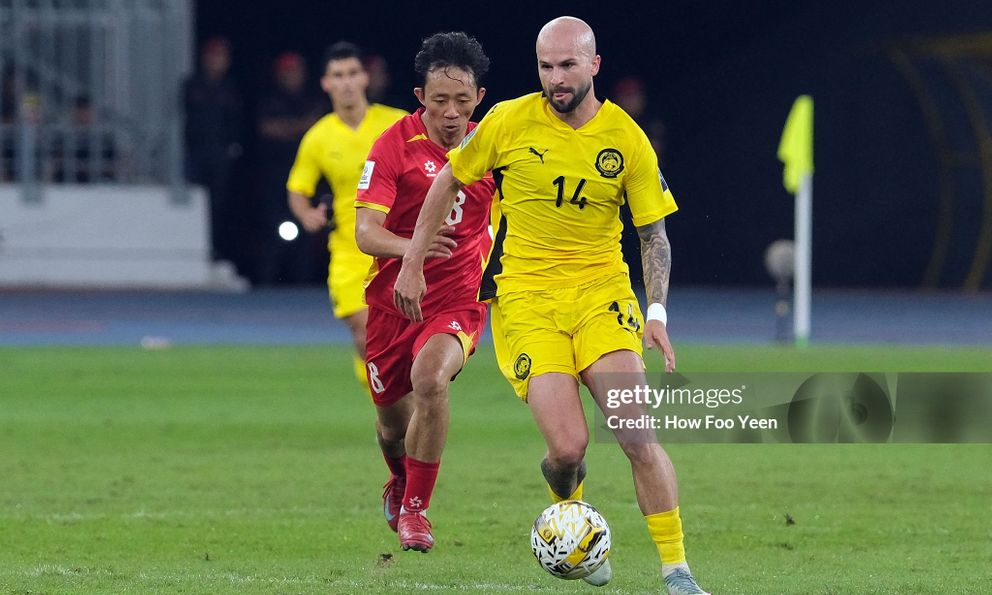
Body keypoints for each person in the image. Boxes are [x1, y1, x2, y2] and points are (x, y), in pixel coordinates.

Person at [393, 16, 709, 594]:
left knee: (636, 434)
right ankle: (575, 523)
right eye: (545, 66)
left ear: (594, 65)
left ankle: (677, 570)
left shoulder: (626, 137)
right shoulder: (509, 120)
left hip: (601, 297)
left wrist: (657, 314)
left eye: (567, 65)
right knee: (567, 450)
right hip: (528, 301)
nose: (555, 78)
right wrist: (412, 261)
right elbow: (448, 182)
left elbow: (653, 235)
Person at [354, 31, 493, 553]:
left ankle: (417, 512)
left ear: (479, 98)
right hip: (391, 305)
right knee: (391, 425)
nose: (451, 113)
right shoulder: (393, 144)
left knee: (431, 380)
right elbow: (366, 231)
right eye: (439, 101)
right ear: (421, 99)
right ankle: (397, 477)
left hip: (458, 299)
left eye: (462, 101)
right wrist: (413, 248)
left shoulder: (489, 146)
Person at [286, 43, 407, 386]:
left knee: (401, 340)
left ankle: (394, 402)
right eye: (338, 76)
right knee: (365, 331)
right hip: (349, 250)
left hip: (398, 247)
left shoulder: (396, 123)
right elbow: (297, 188)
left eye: (353, 73)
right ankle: (385, 402)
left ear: (365, 77)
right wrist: (306, 214)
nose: (347, 82)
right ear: (326, 83)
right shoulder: (319, 136)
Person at [256, 51, 326, 285]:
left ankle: (303, 281)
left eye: (296, 70)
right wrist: (300, 126)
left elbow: (319, 129)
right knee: (271, 228)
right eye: (288, 71)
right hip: (274, 175)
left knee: (308, 227)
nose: (293, 75)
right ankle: (266, 282)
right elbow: (267, 128)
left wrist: (289, 127)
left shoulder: (312, 99)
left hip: (308, 175)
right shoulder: (269, 99)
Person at [183, 37, 244, 262]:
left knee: (218, 204)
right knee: (193, 201)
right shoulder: (192, 85)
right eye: (213, 56)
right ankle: (192, 248)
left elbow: (236, 122)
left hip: (220, 155)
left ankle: (213, 249)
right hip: (196, 153)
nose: (217, 61)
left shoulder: (230, 88)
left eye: (221, 57)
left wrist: (232, 148)